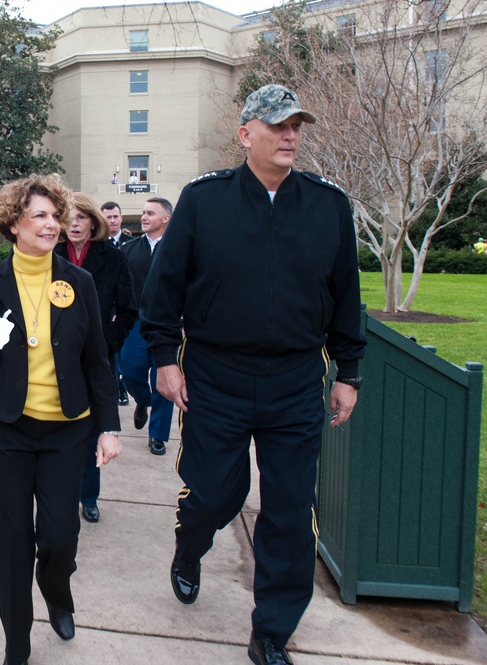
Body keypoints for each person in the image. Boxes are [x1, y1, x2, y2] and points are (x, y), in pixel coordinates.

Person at [142, 84, 366, 665]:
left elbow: (346, 292)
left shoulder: (327, 204)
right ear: (246, 134)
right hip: (217, 373)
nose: (290, 135)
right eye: (278, 126)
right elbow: (164, 286)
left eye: (296, 126)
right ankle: (190, 546)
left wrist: (349, 370)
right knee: (216, 493)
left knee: (291, 509)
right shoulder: (203, 199)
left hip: (295, 378)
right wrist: (165, 357)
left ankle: (271, 630)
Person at [0, 174, 122, 665]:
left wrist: (108, 427)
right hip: (6, 430)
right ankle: (16, 643)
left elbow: (96, 361)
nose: (52, 224)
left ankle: (57, 592)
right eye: (40, 216)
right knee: (11, 538)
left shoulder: (77, 282)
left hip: (68, 430)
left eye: (55, 215)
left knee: (60, 538)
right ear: (13, 224)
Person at [54, 192, 136, 523]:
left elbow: (129, 309)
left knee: (91, 428)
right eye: (68, 217)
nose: (74, 224)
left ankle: (88, 495)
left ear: (93, 222)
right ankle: (57, 494)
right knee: (56, 428)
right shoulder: (50, 255)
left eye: (81, 217)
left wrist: (108, 343)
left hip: (97, 356)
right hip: (54, 355)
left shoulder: (113, 259)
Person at [121, 197, 175, 456]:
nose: (143, 217)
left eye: (150, 213)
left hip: (169, 325)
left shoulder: (179, 249)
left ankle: (158, 436)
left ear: (166, 218)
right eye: (143, 212)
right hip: (135, 324)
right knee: (130, 371)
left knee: (164, 379)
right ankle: (143, 400)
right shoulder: (129, 249)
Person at [101, 200, 131, 407]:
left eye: (115, 216)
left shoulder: (131, 243)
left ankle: (123, 387)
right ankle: (119, 390)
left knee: (125, 359)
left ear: (121, 218)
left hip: (124, 309)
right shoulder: (98, 245)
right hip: (106, 312)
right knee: (113, 357)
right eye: (108, 217)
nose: (112, 221)